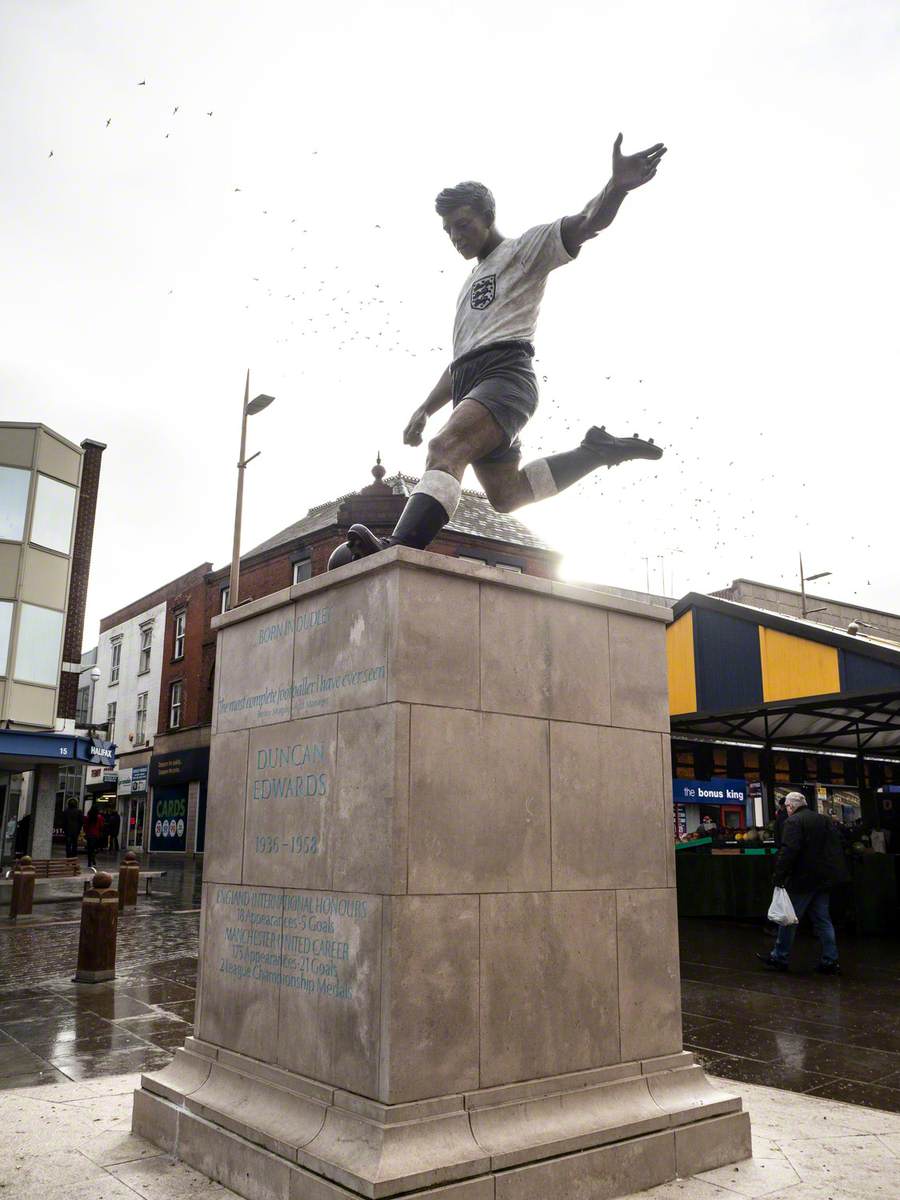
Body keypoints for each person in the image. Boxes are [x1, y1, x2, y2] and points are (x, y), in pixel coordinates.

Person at [328, 133, 668, 569]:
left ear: (489, 217)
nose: (455, 236)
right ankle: (596, 452)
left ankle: (399, 551)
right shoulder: (467, 286)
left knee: (445, 449)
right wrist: (424, 407)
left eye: (464, 224)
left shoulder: (524, 250)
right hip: (474, 384)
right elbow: (460, 363)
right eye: (448, 229)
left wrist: (616, 187)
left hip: (505, 380)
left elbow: (587, 222)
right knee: (507, 495)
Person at [757, 791, 849, 975]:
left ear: (790, 806)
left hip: (802, 879)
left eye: (787, 807)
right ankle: (831, 960)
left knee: (789, 919)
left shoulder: (793, 822)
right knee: (823, 920)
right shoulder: (824, 820)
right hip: (823, 880)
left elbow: (789, 850)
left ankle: (779, 957)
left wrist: (779, 875)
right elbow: (836, 846)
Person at [83, 803, 105, 870]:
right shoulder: (99, 817)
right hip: (96, 835)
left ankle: (89, 863)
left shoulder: (88, 817)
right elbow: (101, 826)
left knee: (89, 849)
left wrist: (86, 833)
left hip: (89, 834)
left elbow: (85, 826)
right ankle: (94, 862)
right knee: (94, 849)